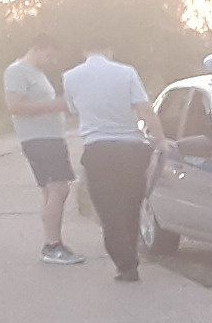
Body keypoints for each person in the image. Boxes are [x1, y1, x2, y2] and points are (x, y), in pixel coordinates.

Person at [61, 40, 156, 282]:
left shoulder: (70, 77)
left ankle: (125, 264)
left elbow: (73, 109)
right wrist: (162, 140)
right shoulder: (127, 72)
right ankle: (130, 255)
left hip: (98, 149)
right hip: (131, 149)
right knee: (130, 206)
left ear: (84, 51)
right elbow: (145, 109)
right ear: (110, 50)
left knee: (108, 209)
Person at [2, 36, 84, 265]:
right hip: (38, 139)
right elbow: (14, 106)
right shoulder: (17, 71)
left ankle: (54, 242)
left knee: (51, 192)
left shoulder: (38, 74)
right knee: (59, 189)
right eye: (49, 55)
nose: (52, 60)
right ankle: (52, 245)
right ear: (35, 48)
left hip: (52, 137)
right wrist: (53, 105)